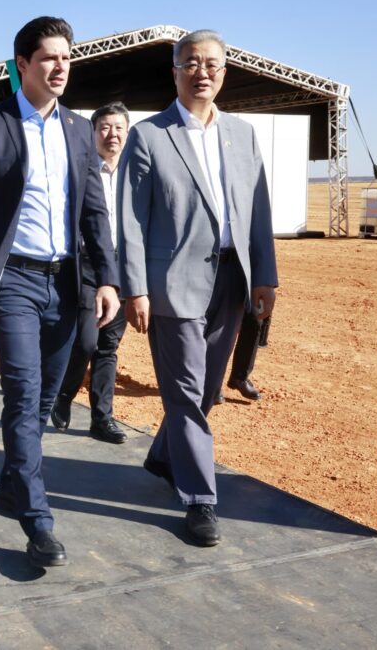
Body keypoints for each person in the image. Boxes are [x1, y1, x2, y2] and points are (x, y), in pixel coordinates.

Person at [0, 16, 119, 569]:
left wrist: (109, 278)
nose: (60, 66)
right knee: (23, 395)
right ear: (21, 65)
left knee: (45, 399)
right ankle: (38, 521)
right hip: (13, 282)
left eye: (66, 57)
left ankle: (10, 485)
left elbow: (94, 211)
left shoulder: (77, 128)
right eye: (48, 57)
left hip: (66, 281)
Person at [119, 29, 278, 547]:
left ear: (224, 72)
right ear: (175, 71)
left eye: (211, 64)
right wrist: (135, 288)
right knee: (184, 390)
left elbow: (258, 213)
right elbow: (132, 222)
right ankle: (200, 498)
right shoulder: (149, 135)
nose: (202, 72)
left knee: (207, 389)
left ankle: (165, 454)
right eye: (191, 63)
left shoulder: (242, 134)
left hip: (233, 279)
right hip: (172, 283)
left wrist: (267, 276)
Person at [49, 102, 131, 444]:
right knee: (85, 340)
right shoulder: (79, 168)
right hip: (86, 264)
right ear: (93, 133)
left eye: (118, 128)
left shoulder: (136, 172)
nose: (112, 134)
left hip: (124, 265)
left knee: (108, 346)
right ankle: (64, 395)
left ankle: (102, 418)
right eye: (104, 128)